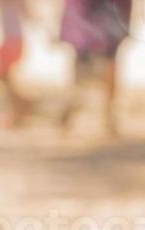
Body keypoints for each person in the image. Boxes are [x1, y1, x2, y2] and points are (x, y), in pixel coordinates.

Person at [58, 0, 132, 136]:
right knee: (82, 71)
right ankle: (70, 114)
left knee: (107, 67)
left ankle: (108, 117)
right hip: (87, 19)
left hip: (108, 17)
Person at [0, 0, 33, 127]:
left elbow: (27, 12)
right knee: (4, 78)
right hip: (8, 38)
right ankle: (21, 106)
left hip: (13, 39)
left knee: (4, 76)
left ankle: (19, 108)